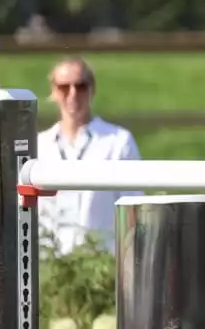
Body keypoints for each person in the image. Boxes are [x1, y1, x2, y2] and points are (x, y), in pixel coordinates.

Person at [36, 56, 142, 256]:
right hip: (50, 264)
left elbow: (134, 212)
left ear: (92, 88)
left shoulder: (118, 141)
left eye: (81, 86)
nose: (73, 94)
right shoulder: (39, 145)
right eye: (64, 87)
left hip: (102, 264)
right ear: (54, 90)